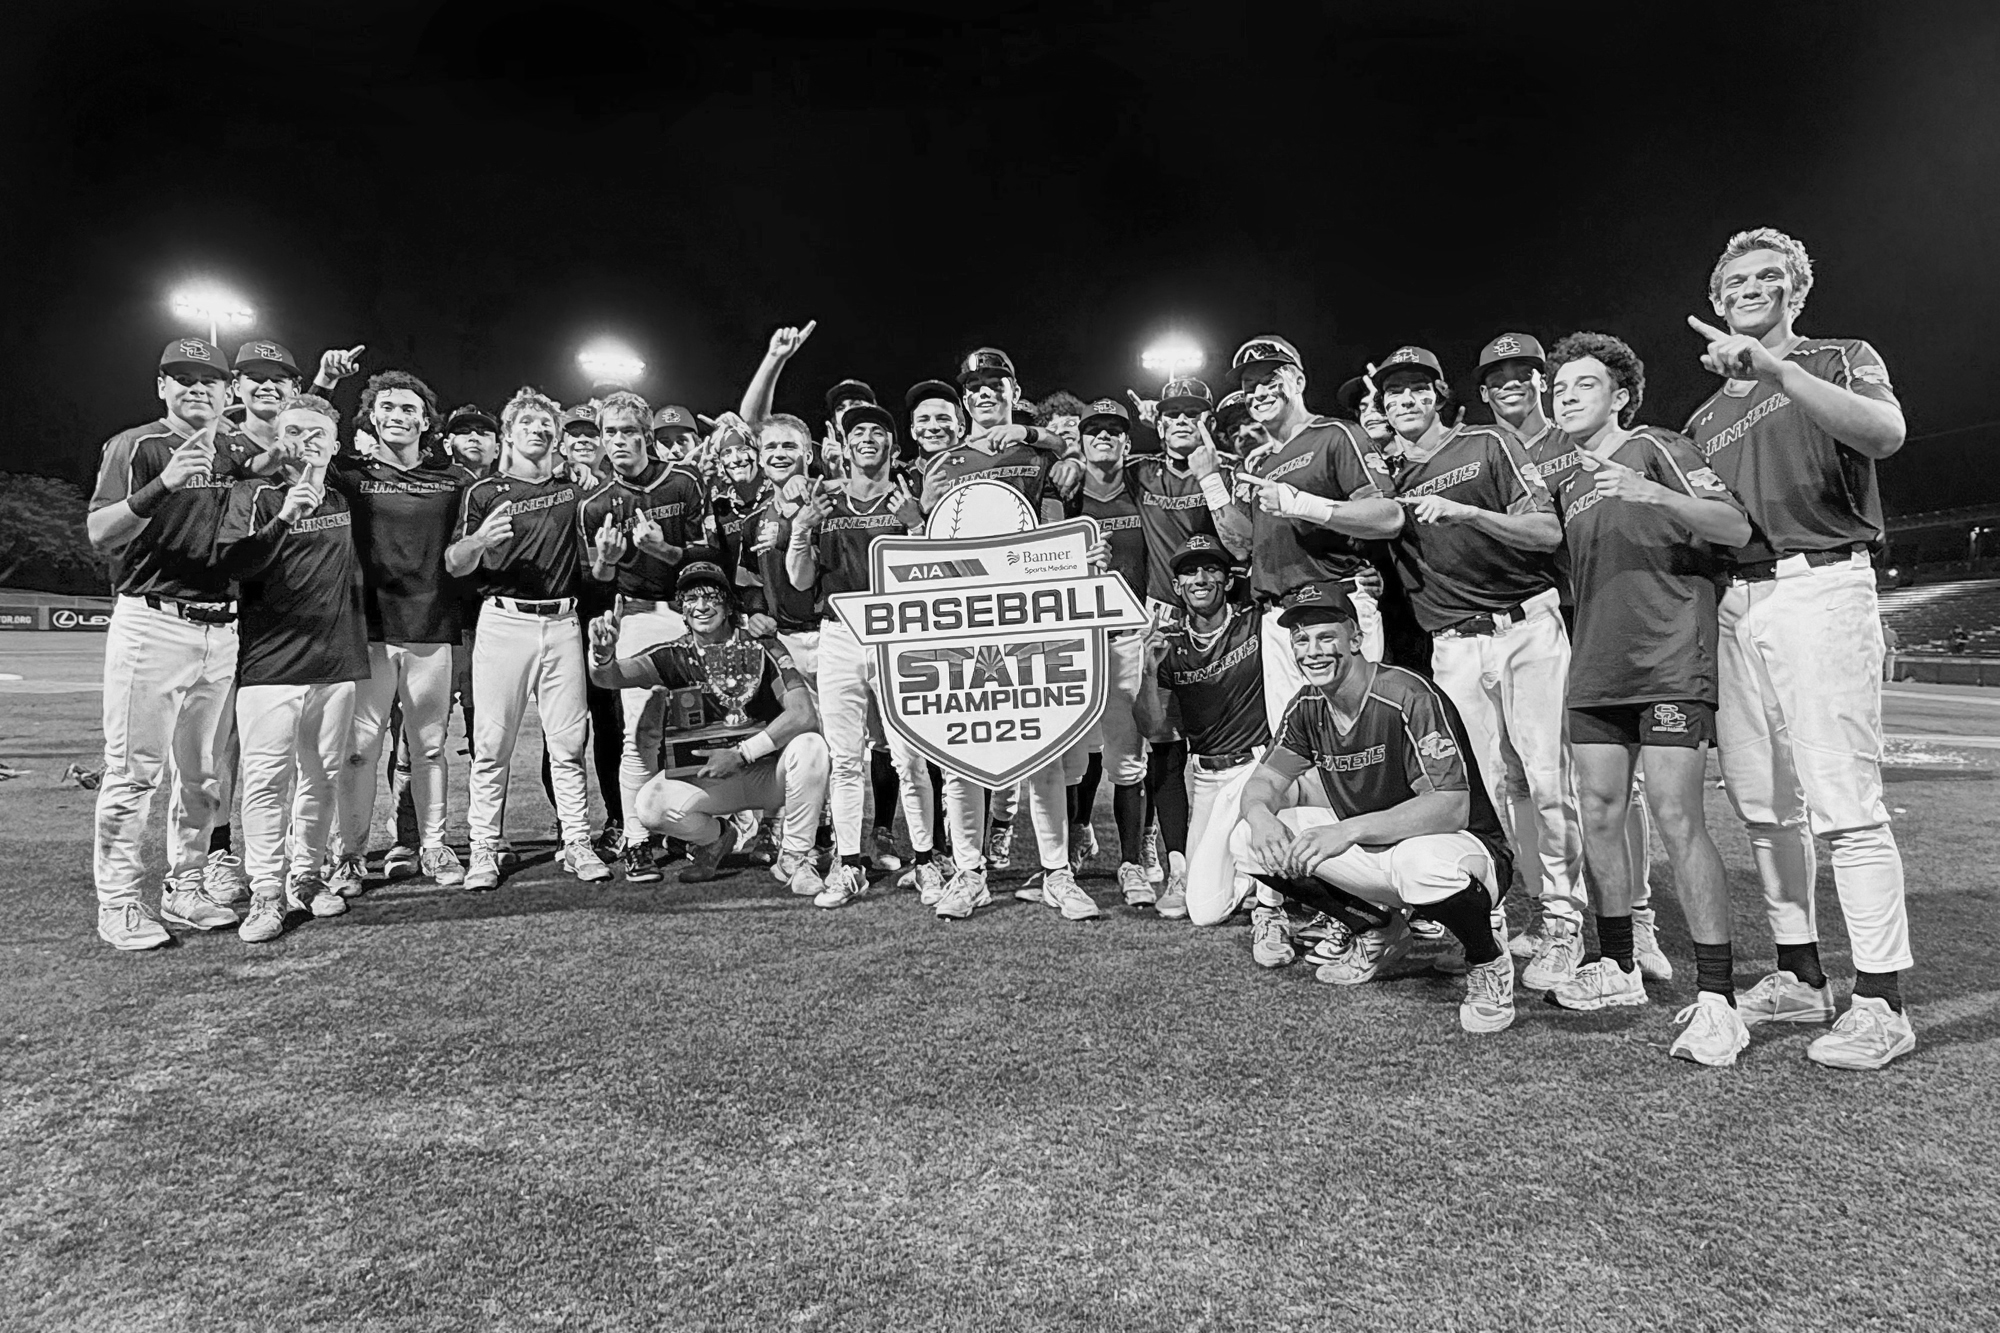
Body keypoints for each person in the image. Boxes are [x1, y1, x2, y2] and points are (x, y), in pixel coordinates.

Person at [1684, 227, 1916, 1070]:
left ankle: (1881, 1000)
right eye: (1737, 281)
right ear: (1717, 301)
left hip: (1820, 581)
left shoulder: (1837, 357)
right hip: (1736, 599)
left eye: (1769, 278)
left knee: (1845, 802)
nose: (1751, 289)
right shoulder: (1703, 418)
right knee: (1763, 803)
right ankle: (1800, 973)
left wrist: (1777, 370)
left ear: (1796, 291)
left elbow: (1885, 434)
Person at [1538, 332, 1755, 1067]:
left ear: (1621, 396)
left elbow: (1735, 527)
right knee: (1598, 812)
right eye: (1559, 388)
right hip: (1596, 669)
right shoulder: (1568, 483)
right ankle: (1618, 964)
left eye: (1584, 384)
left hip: (1667, 663)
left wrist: (1654, 492)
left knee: (1676, 816)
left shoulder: (1658, 448)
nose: (1566, 396)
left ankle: (1719, 1000)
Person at [1376, 346, 1589, 992]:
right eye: (1394, 392)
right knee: (1481, 792)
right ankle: (1489, 924)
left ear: (1439, 395)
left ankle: (1563, 920)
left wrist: (1469, 512)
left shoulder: (1487, 443)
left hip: (1524, 627)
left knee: (1549, 779)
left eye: (1418, 389)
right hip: (1454, 644)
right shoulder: (1388, 477)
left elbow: (1546, 532)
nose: (1406, 400)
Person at [1228, 581, 1518, 1034]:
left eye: (1326, 637)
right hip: (1379, 848)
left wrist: (1348, 830)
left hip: (1462, 849)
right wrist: (1262, 816)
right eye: (1301, 640)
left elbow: (1451, 808)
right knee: (1248, 839)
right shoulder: (1307, 705)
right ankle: (1377, 928)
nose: (1312, 651)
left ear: (1356, 639)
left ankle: (1487, 961)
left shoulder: (1407, 694)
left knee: (1419, 864)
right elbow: (1264, 781)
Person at [1482, 334, 1668, 982]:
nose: (1510, 384)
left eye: (1523, 373)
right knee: (1521, 783)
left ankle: (1636, 919)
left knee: (1599, 783)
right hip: (1523, 626)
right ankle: (1550, 914)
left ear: (1542, 381)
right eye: (1496, 376)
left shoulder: (1577, 439)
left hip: (1576, 618)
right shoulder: (1487, 448)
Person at [86, 337, 254, 948]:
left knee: (203, 775)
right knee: (134, 772)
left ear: (227, 391)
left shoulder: (237, 451)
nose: (197, 388)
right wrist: (162, 485)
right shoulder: (136, 445)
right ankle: (119, 902)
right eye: (183, 378)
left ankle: (185, 886)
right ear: (162, 386)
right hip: (154, 621)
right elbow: (100, 532)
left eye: (209, 380)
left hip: (222, 626)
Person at [214, 395, 371, 940]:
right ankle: (265, 889)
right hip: (271, 661)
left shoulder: (344, 496)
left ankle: (305, 876)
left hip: (336, 659)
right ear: (280, 440)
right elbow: (234, 564)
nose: (308, 440)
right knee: (266, 781)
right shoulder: (255, 494)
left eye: (318, 432)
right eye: (296, 431)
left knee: (322, 777)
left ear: (335, 443)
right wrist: (284, 520)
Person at [446, 387, 611, 890]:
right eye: (527, 424)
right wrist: (478, 541)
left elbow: (599, 538)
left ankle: (576, 840)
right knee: (492, 744)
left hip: (564, 621)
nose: (538, 430)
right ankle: (483, 846)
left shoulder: (574, 488)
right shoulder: (483, 492)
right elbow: (454, 564)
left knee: (568, 742)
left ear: (557, 438)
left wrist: (587, 473)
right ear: (508, 434)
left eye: (546, 425)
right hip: (504, 621)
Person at [587, 559, 830, 895]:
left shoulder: (762, 646)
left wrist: (742, 753)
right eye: (691, 599)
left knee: (811, 746)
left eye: (711, 597)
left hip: (767, 775)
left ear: (729, 605)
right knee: (649, 806)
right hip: (711, 780)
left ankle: (795, 855)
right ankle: (717, 838)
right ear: (682, 610)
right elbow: (610, 677)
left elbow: (804, 715)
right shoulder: (674, 654)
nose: (701, 606)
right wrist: (602, 654)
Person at [784, 402, 944, 910]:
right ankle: (849, 863)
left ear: (893, 445)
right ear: (845, 445)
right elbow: (800, 581)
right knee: (845, 758)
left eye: (878, 431)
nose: (868, 438)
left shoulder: (906, 497)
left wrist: (915, 526)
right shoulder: (825, 501)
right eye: (859, 432)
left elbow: (935, 574)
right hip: (839, 633)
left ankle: (925, 860)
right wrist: (802, 529)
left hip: (899, 635)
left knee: (910, 756)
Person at [323, 370, 468, 893]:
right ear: (371, 417)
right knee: (359, 749)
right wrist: (323, 385)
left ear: (426, 422)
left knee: (428, 747)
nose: (397, 416)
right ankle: (350, 854)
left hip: (431, 628)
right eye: (387, 406)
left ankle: (434, 844)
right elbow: (303, 437)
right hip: (369, 631)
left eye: (409, 408)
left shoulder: (453, 481)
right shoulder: (350, 474)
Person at [1227, 336, 1403, 727]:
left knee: (1357, 735)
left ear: (1298, 381)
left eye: (1269, 380)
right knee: (1292, 741)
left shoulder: (1336, 434)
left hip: (1335, 605)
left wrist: (1304, 504)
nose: (1258, 393)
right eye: (1249, 386)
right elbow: (1244, 547)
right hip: (1277, 618)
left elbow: (1389, 516)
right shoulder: (1259, 465)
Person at [578, 389, 711, 881]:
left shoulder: (683, 482)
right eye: (609, 432)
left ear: (646, 436)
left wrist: (663, 550)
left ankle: (691, 828)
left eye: (628, 431)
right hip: (634, 616)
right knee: (640, 733)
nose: (618, 441)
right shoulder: (594, 503)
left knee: (693, 730)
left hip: (689, 613)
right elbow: (594, 578)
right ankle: (637, 839)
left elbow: (708, 556)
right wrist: (607, 562)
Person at [1134, 535, 1268, 924]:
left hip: (1255, 768)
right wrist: (1148, 672)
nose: (1201, 579)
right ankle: (1250, 878)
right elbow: (1150, 726)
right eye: (1190, 572)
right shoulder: (1169, 642)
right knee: (1202, 909)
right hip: (1207, 778)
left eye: (1211, 569)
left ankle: (1266, 890)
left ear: (1228, 580)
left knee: (1246, 844)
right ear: (1177, 586)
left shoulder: (1254, 622)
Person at [1063, 398, 1159, 903]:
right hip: (1076, 643)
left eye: (1113, 429)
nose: (1103, 435)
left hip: (1127, 638)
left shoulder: (1143, 490)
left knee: (1127, 760)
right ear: (1080, 442)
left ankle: (1132, 863)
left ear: (1126, 440)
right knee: (1071, 761)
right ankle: (1066, 859)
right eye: (1093, 429)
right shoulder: (1064, 498)